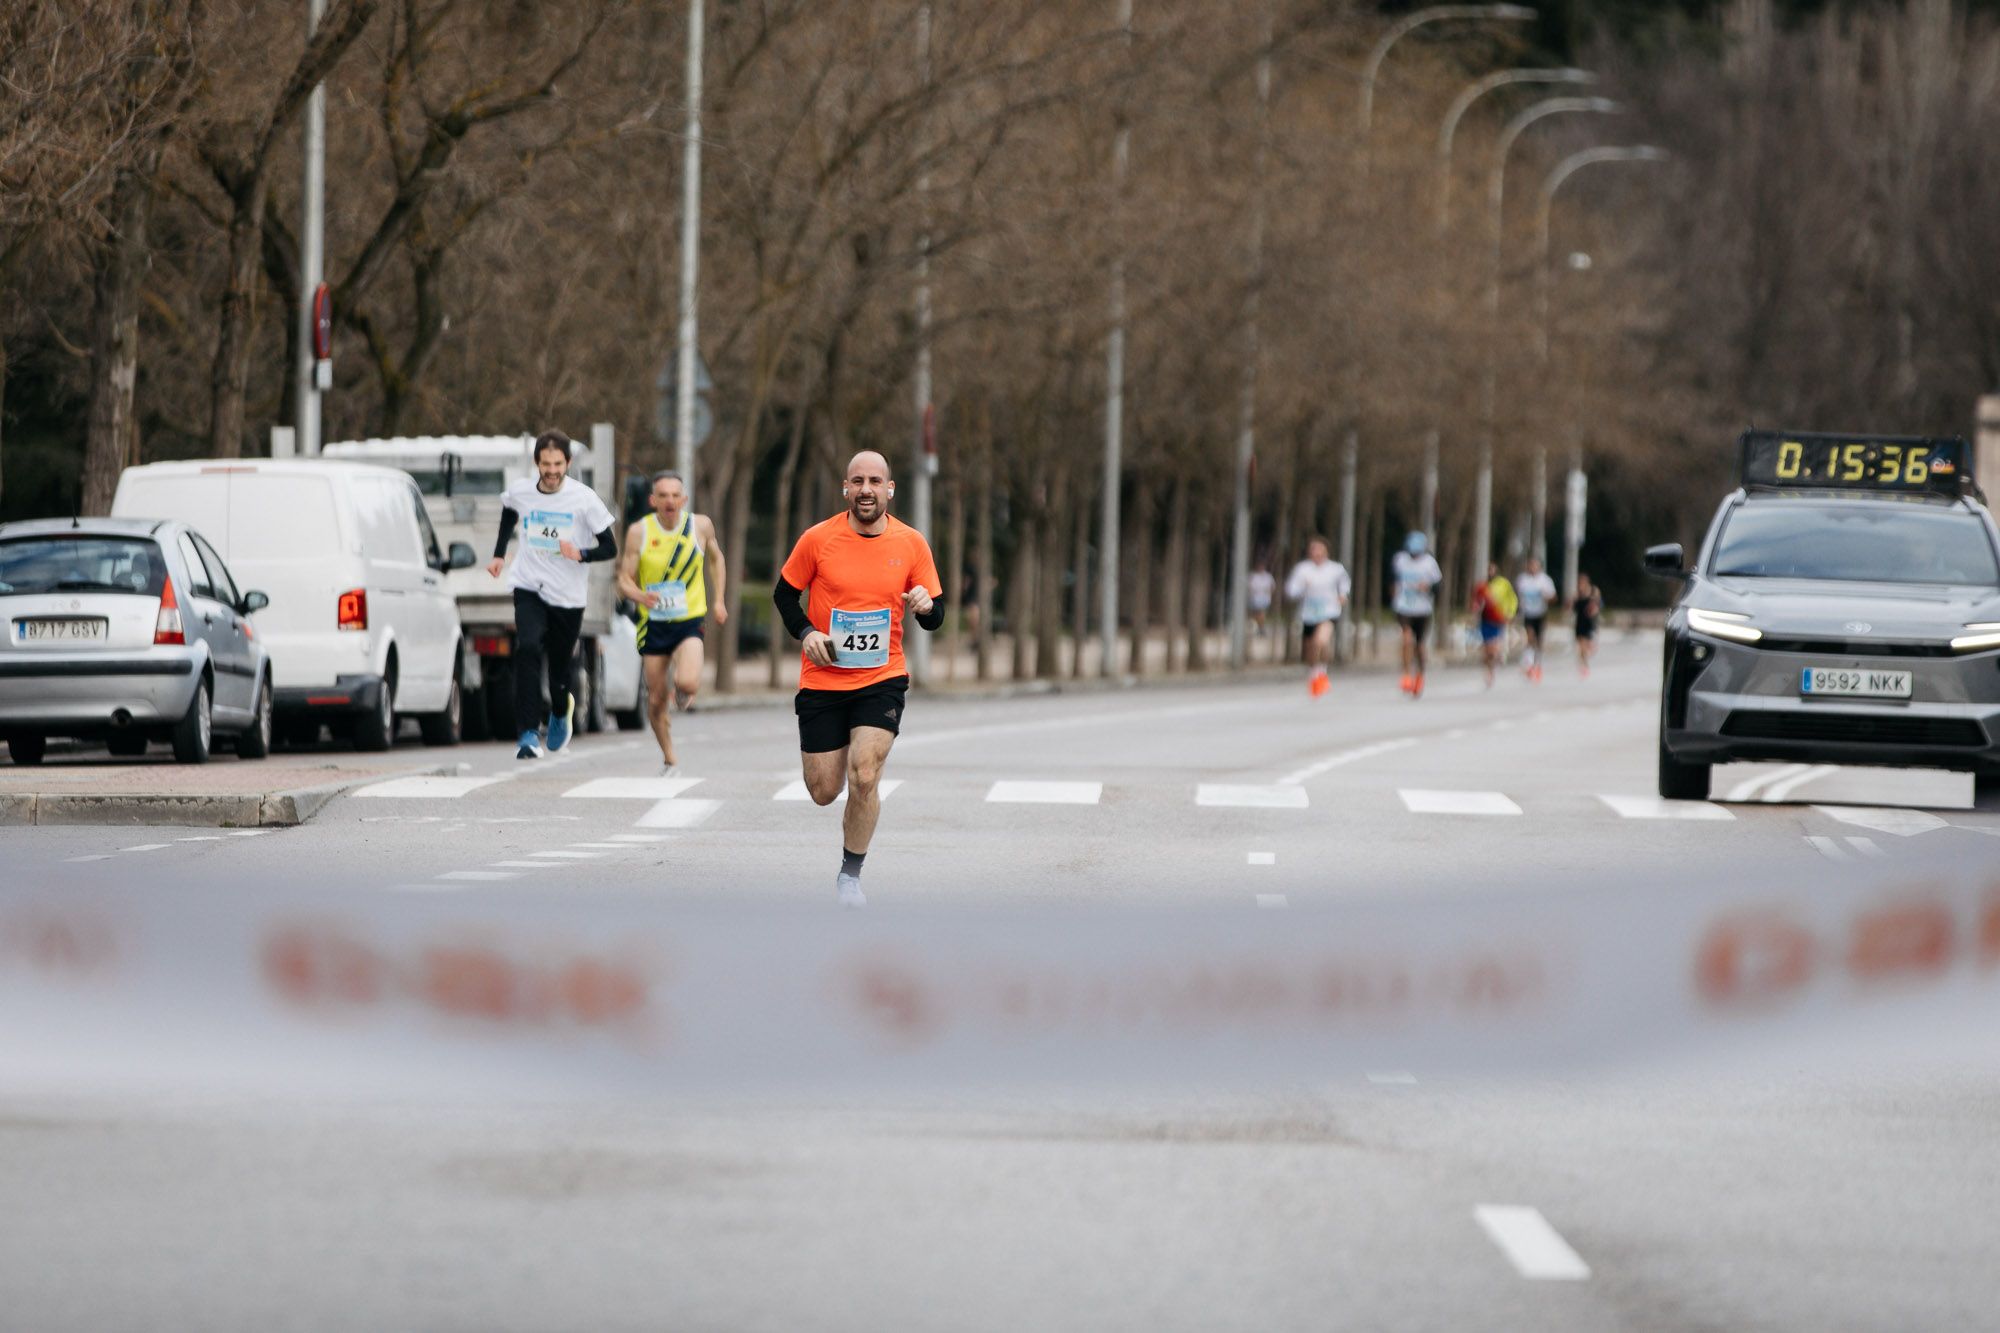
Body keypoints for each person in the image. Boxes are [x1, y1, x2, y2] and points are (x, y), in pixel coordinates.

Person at [772, 450, 945, 908]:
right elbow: (785, 594)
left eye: (875, 481)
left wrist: (927, 606)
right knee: (824, 791)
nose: (866, 489)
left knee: (864, 775)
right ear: (845, 489)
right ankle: (837, 777)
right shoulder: (818, 539)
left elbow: (934, 616)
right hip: (823, 679)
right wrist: (806, 632)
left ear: (890, 489)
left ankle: (851, 876)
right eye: (857, 481)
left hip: (882, 678)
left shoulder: (911, 543)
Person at [486, 430, 618, 760]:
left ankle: (561, 710)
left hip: (568, 597)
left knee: (559, 673)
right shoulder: (521, 490)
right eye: (546, 464)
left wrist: (581, 554)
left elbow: (610, 547)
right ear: (537, 464)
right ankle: (528, 734)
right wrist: (500, 554)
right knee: (527, 648)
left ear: (568, 463)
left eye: (558, 464)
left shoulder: (584, 499)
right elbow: (509, 512)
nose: (552, 471)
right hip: (529, 585)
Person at [615, 470, 728, 773]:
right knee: (655, 701)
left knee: (688, 682)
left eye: (675, 495)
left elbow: (716, 559)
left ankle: (683, 687)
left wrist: (718, 600)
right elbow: (623, 579)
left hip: (689, 619)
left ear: (684, 499)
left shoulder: (699, 526)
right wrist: (639, 595)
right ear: (653, 500)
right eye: (663, 495)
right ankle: (669, 756)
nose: (669, 501)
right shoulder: (639, 531)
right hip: (653, 624)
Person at [1283, 537, 1349, 697]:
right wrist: (1302, 587)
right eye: (1314, 549)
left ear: (1326, 551)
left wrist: (1342, 596)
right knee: (1310, 648)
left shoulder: (1336, 569)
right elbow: (1291, 591)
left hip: (1329, 611)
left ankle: (1322, 671)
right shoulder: (1302, 569)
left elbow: (1344, 585)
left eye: (1320, 549)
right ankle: (1314, 672)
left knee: (1322, 641)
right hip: (1308, 614)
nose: (1317, 552)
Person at [1391, 531, 1444, 698]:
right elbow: (1392, 579)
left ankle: (1419, 676)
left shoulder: (1429, 563)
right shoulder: (1400, 560)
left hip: (1423, 609)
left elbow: (1438, 587)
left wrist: (1427, 587)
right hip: (1404, 607)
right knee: (1406, 639)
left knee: (1420, 646)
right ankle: (1406, 675)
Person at [1470, 560, 1517, 688]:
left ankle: (1493, 667)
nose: (1490, 572)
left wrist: (1510, 613)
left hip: (1498, 619)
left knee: (1493, 648)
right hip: (1485, 620)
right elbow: (1475, 603)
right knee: (1486, 650)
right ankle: (1489, 670)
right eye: (1488, 570)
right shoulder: (1481, 586)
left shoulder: (1503, 584)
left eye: (1492, 570)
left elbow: (1512, 599)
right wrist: (1475, 610)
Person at [1515, 556, 1558, 683]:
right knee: (1530, 637)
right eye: (1531, 565)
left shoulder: (1545, 581)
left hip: (1540, 613)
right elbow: (1517, 596)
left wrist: (1547, 597)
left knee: (1539, 642)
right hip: (1528, 614)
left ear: (1539, 567)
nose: (1533, 567)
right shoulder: (1522, 580)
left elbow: (1554, 598)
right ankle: (1528, 664)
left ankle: (1537, 665)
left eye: (1535, 565)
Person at [1573, 573, 1603, 677]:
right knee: (1580, 645)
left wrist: (1594, 610)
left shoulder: (1594, 591)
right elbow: (1574, 606)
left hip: (1589, 621)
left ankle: (1585, 662)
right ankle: (1584, 666)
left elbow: (1598, 605)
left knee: (1586, 644)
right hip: (1580, 621)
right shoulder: (1577, 593)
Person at [1247, 563, 1277, 640]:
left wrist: (1268, 593)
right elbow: (1249, 586)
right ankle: (1259, 628)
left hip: (1264, 598)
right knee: (1256, 614)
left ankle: (1260, 628)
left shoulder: (1268, 577)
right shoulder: (1253, 576)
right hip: (1254, 598)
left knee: (1261, 613)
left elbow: (1273, 587)